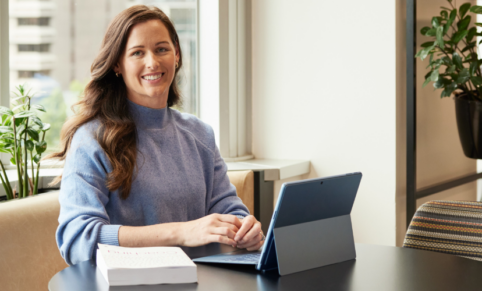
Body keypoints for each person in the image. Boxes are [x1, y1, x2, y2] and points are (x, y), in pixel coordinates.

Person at [52, 5, 263, 266]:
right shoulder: (91, 140)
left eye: (161, 49)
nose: (152, 62)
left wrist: (244, 229)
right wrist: (182, 232)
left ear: (176, 54)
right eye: (137, 53)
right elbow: (77, 240)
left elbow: (228, 208)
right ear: (118, 63)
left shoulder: (200, 134)